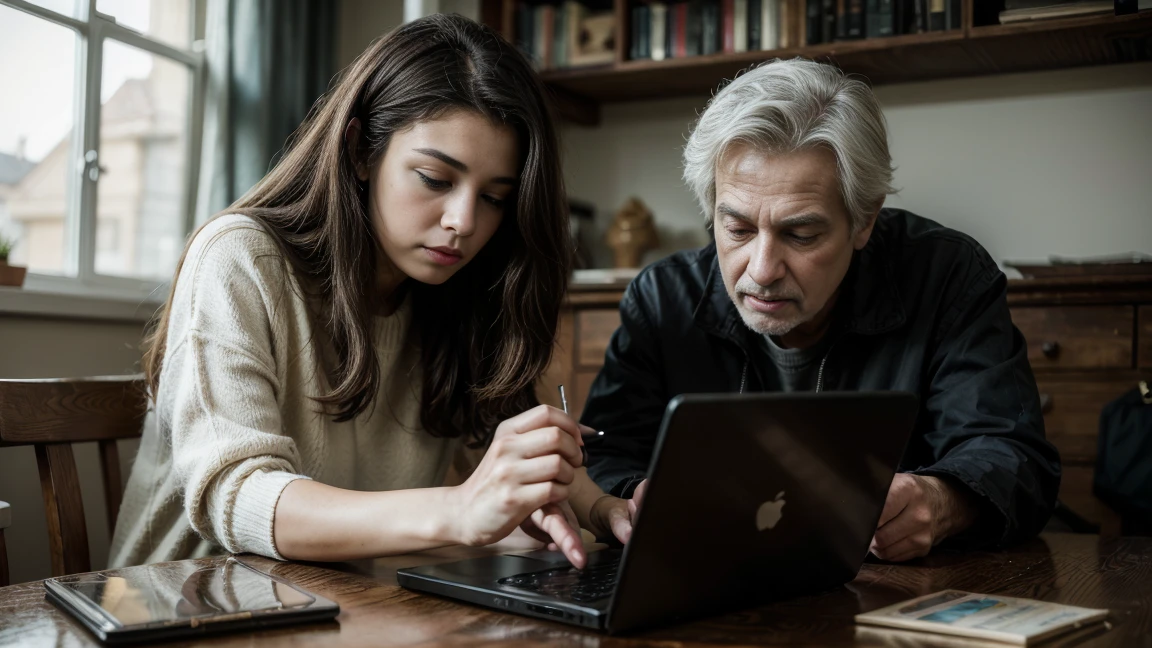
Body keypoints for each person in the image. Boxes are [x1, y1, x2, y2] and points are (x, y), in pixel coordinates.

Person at [110, 14, 594, 570]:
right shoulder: (239, 259)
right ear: (362, 150)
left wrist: (599, 508)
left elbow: (485, 468)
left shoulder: (453, 296)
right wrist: (459, 509)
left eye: (494, 197)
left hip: (343, 605)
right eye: (435, 179)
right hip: (180, 608)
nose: (463, 221)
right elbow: (237, 495)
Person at [566, 59, 1062, 563]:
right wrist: (631, 497)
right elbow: (605, 452)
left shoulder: (947, 276)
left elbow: (1014, 456)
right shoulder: (660, 299)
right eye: (736, 229)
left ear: (864, 219)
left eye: (801, 235)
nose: (760, 270)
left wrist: (940, 501)